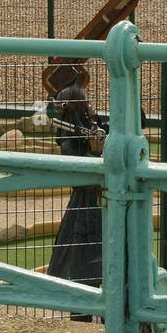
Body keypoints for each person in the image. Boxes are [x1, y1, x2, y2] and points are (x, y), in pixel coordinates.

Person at [46, 76, 106, 317]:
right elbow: (85, 175)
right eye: (86, 102)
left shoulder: (95, 127)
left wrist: (101, 142)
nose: (90, 106)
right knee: (82, 274)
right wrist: (96, 153)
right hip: (86, 212)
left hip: (104, 208)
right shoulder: (70, 143)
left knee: (111, 275)